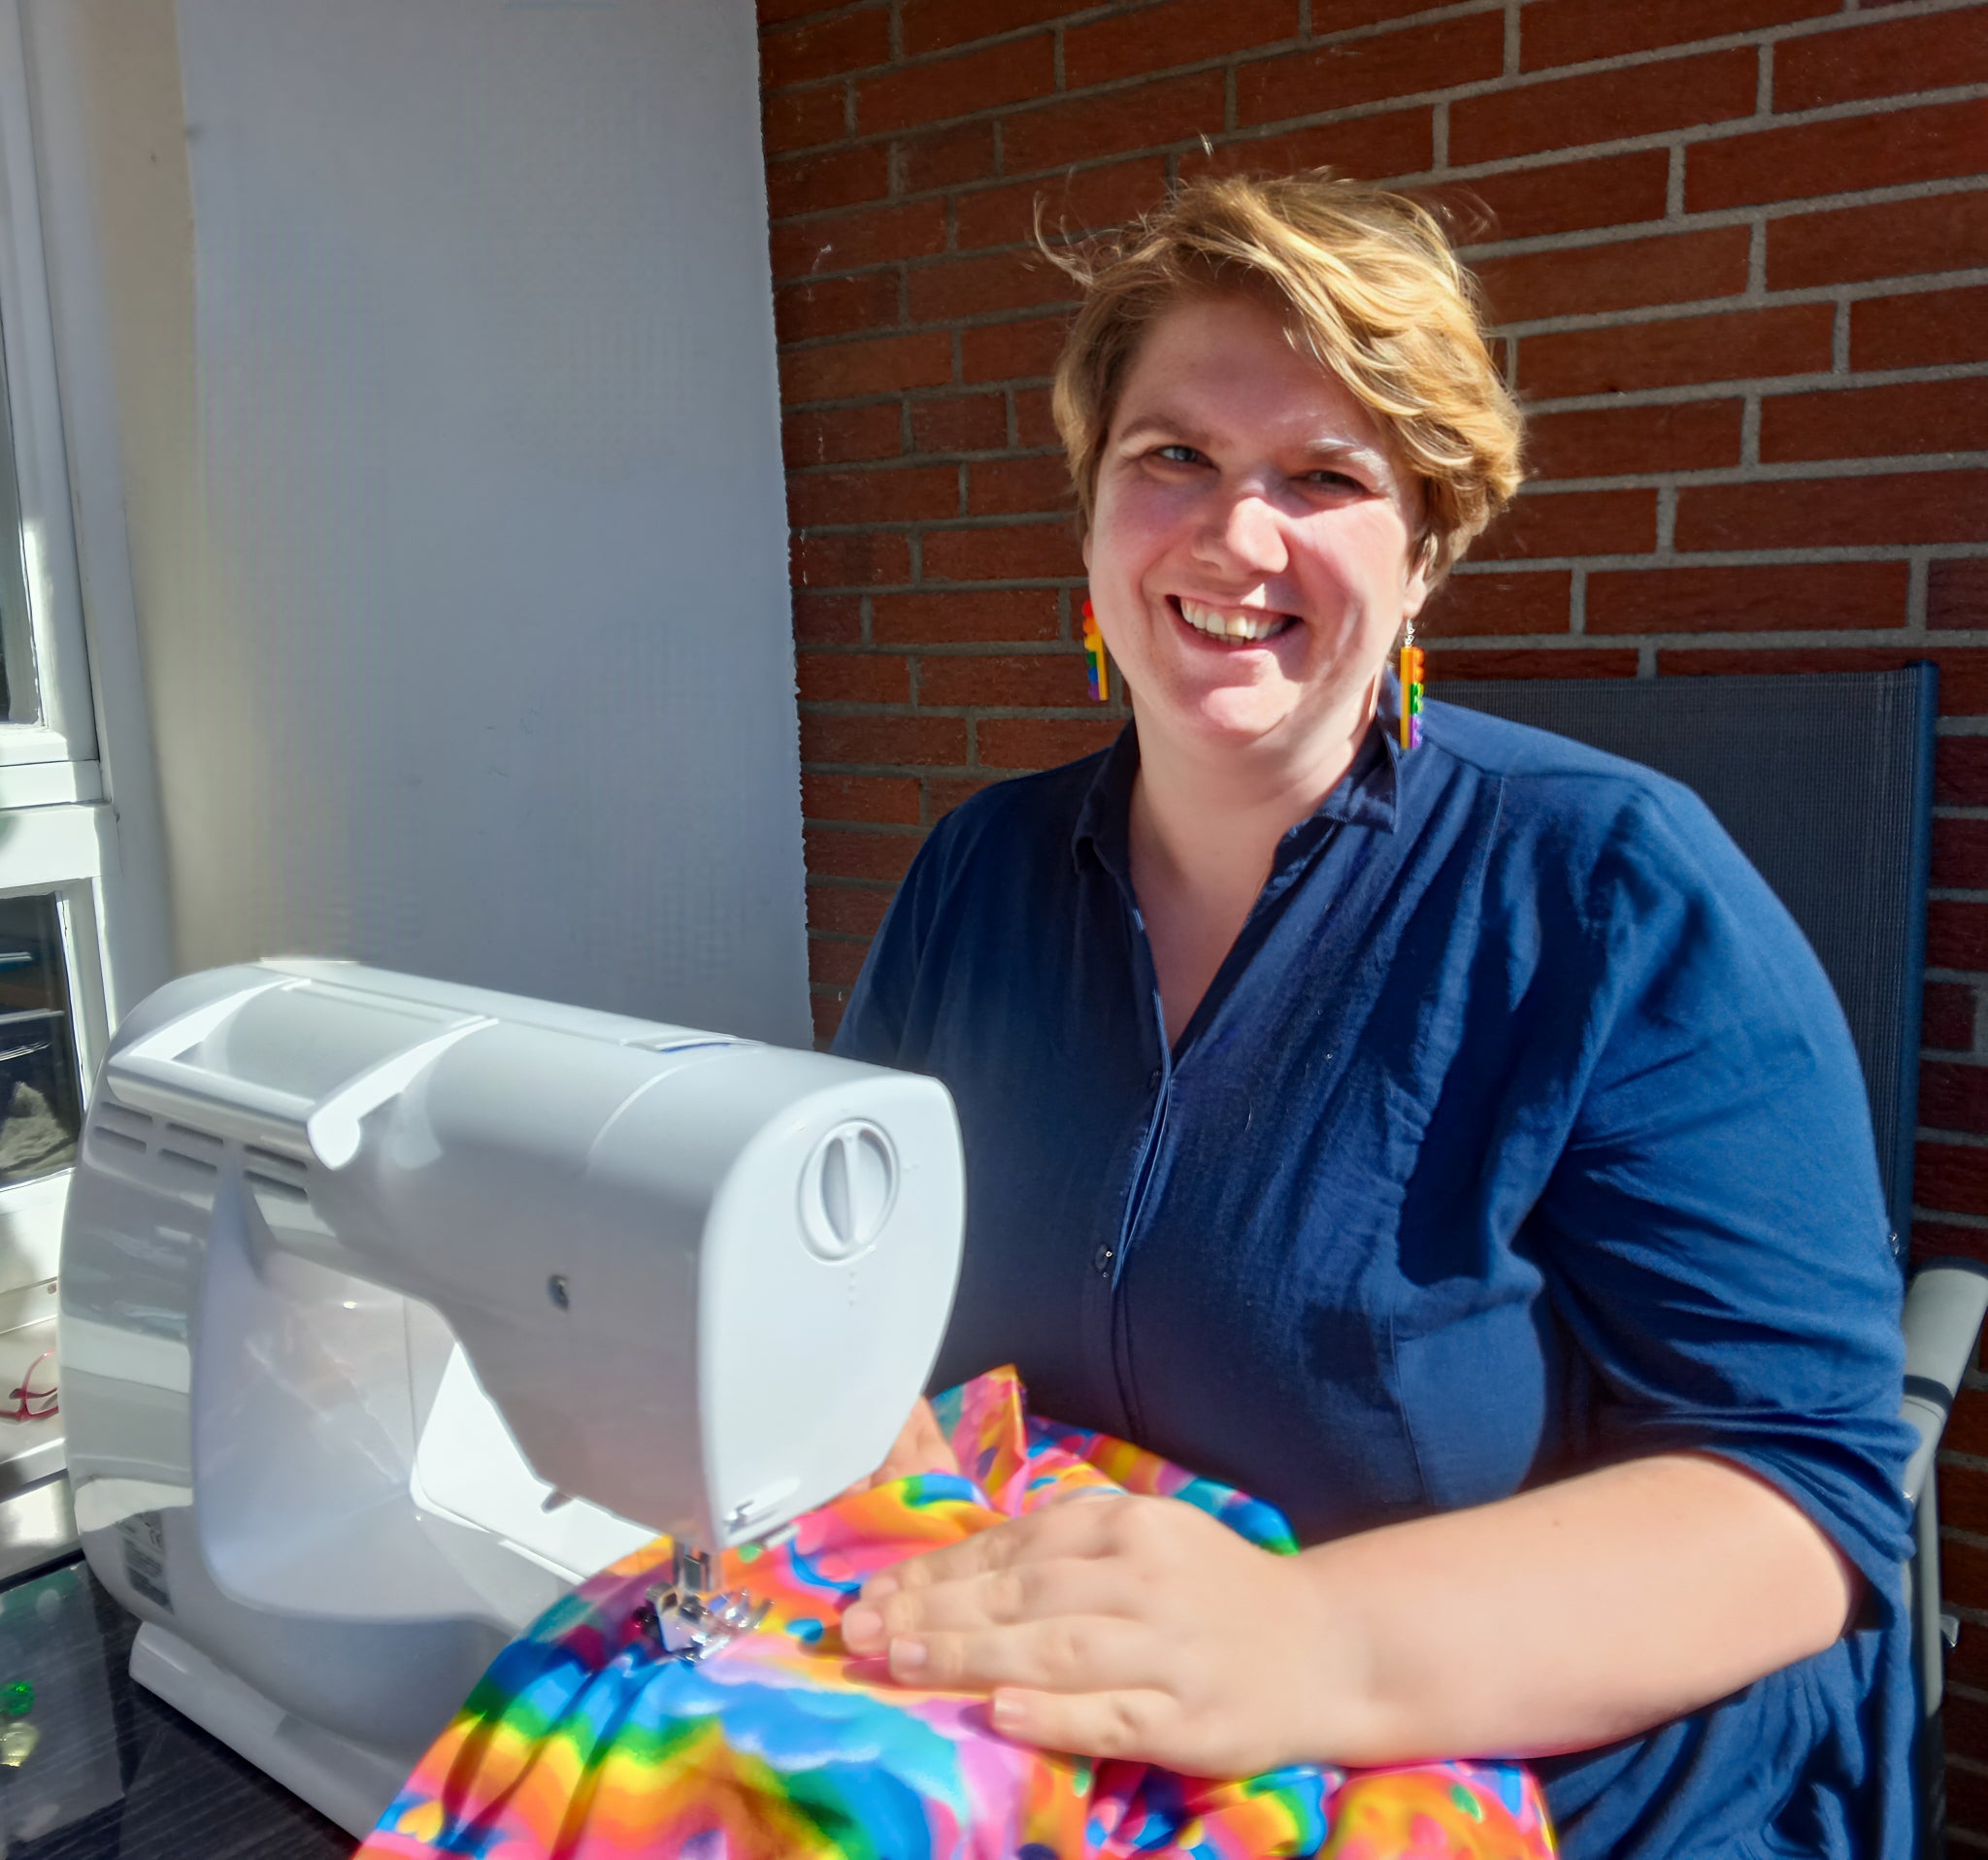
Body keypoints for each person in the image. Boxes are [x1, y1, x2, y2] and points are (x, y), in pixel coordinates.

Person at [827, 172, 1917, 1858]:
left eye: (1325, 477)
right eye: (1172, 455)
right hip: (1040, 1764)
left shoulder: (1612, 892)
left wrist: (1307, 1642)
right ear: (1093, 515)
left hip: (1535, 1801)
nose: (1234, 535)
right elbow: (854, 1280)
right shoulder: (975, 874)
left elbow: (1803, 1504)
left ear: (1423, 554)